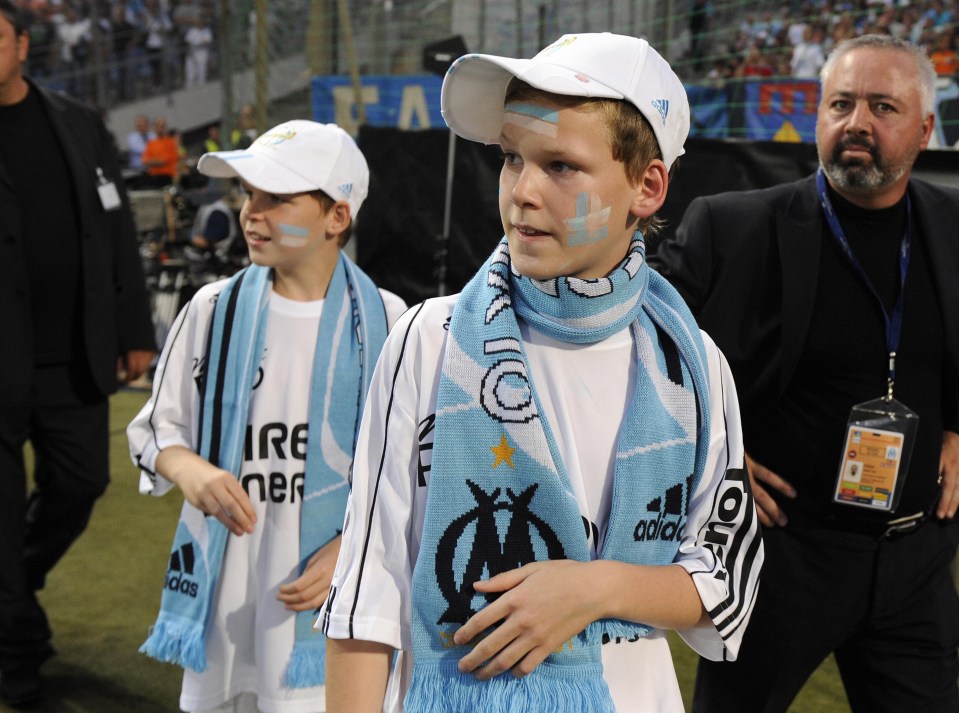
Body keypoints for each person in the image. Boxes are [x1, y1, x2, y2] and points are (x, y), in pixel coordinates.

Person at [322, 32, 763, 713]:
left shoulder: (695, 366)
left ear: (647, 186)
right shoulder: (427, 339)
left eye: (560, 165)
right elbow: (366, 587)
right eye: (510, 158)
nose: (522, 191)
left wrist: (595, 588)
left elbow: (724, 578)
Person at [650, 34, 959, 713]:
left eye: (882, 107)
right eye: (840, 103)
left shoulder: (949, 227)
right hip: (781, 556)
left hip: (913, 558)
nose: (856, 122)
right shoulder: (734, 228)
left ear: (925, 129)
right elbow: (634, 351)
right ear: (817, 115)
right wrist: (711, 454)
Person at [127, 119, 407, 713]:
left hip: (325, 596)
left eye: (277, 197)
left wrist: (350, 552)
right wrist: (191, 472)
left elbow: (405, 472)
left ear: (338, 216)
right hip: (227, 589)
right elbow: (156, 429)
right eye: (249, 193)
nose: (252, 212)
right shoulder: (211, 309)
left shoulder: (387, 319)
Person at [0, 0, 156, 706]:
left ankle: (12, 592)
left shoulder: (78, 123)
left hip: (74, 356)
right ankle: (17, 657)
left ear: (22, 45)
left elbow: (117, 233)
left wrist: (134, 331)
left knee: (81, 484)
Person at [141, 115, 179, 187]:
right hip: (154, 178)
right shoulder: (150, 144)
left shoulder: (170, 142)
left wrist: (152, 161)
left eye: (162, 126)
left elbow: (164, 161)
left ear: (165, 127)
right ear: (154, 127)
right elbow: (144, 160)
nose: (160, 128)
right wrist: (157, 161)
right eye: (157, 126)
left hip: (168, 177)